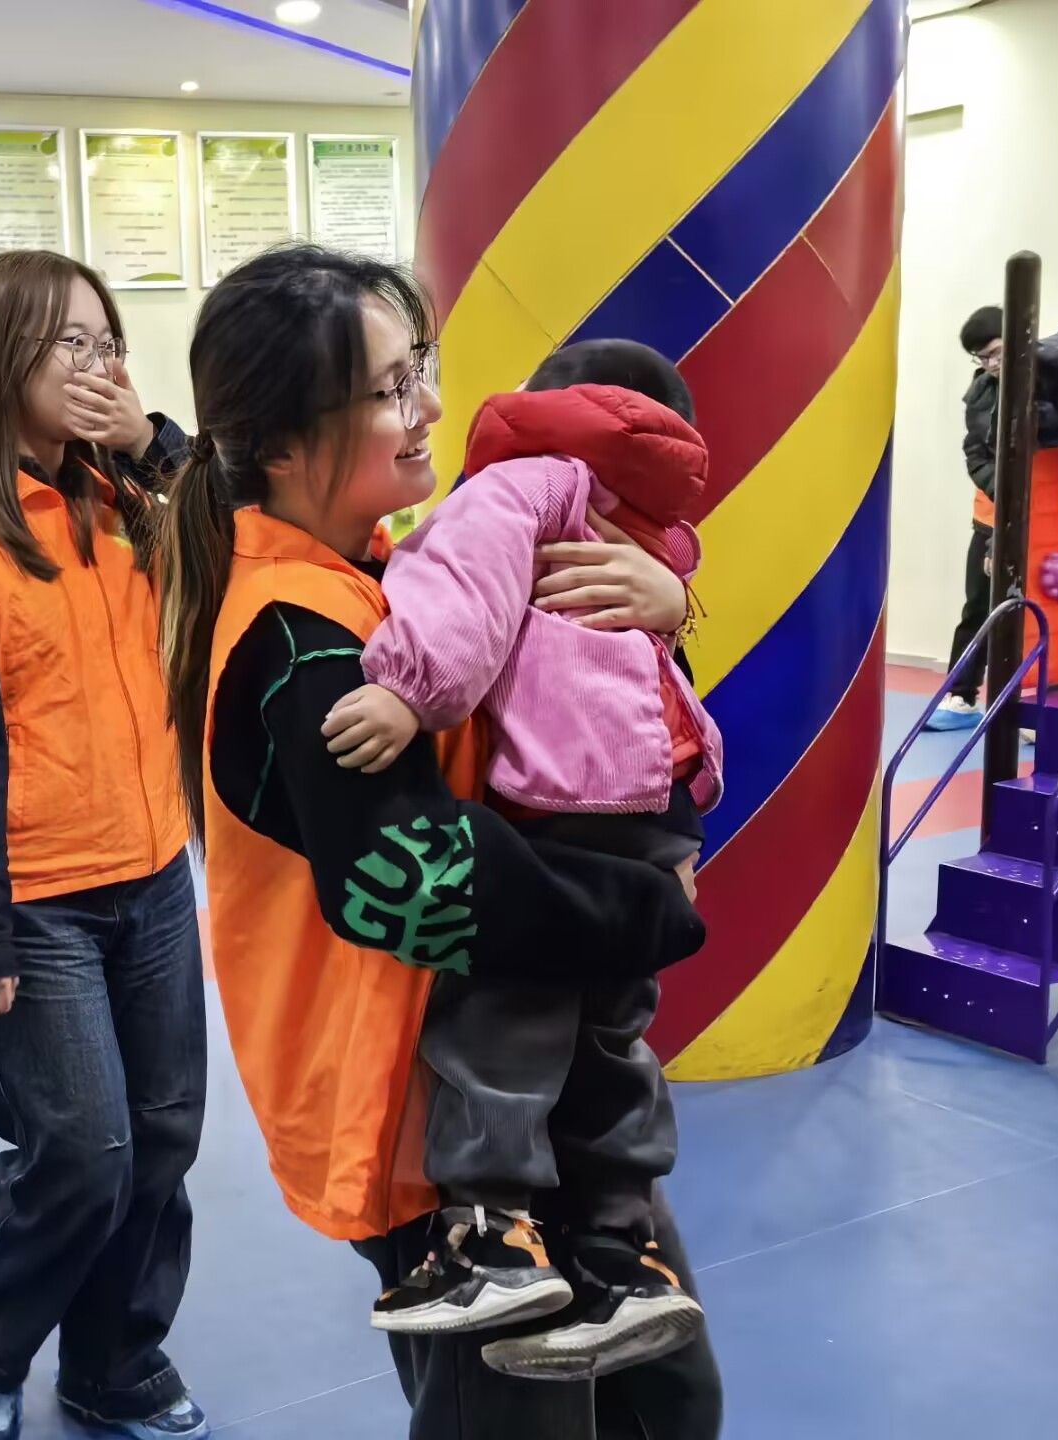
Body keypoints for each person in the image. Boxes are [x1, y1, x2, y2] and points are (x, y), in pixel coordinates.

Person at [159, 245, 721, 1437]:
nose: (430, 409)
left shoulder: (402, 571)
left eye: (419, 369)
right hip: (431, 1136)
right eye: (388, 389)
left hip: (526, 1083)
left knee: (667, 1397)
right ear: (280, 440)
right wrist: (651, 914)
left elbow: (585, 710)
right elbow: (415, 880)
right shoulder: (298, 637)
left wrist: (669, 606)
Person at [317, 340, 721, 1379]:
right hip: (650, 800)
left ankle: (490, 1232)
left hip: (561, 795)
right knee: (610, 1034)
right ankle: (622, 1256)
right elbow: (645, 670)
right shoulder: (648, 521)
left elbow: (466, 593)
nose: (427, 406)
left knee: (505, 1011)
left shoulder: (525, 484)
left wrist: (409, 692)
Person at [0, 249, 209, 1440]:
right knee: (82, 1149)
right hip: (37, 899)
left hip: (153, 871)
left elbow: (242, 544)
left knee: (163, 1136)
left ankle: (113, 1362)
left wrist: (155, 444)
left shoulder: (126, 501)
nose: (95, 364)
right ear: (3, 356)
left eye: (107, 342)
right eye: (70, 343)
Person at [928, 306, 1003, 731]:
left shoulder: (1049, 383)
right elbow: (976, 455)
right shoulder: (980, 394)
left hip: (1041, 519)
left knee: (1034, 613)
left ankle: (1034, 707)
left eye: (995, 353)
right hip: (990, 517)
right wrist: (1003, 499)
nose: (990, 364)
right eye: (982, 358)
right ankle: (961, 696)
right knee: (977, 607)